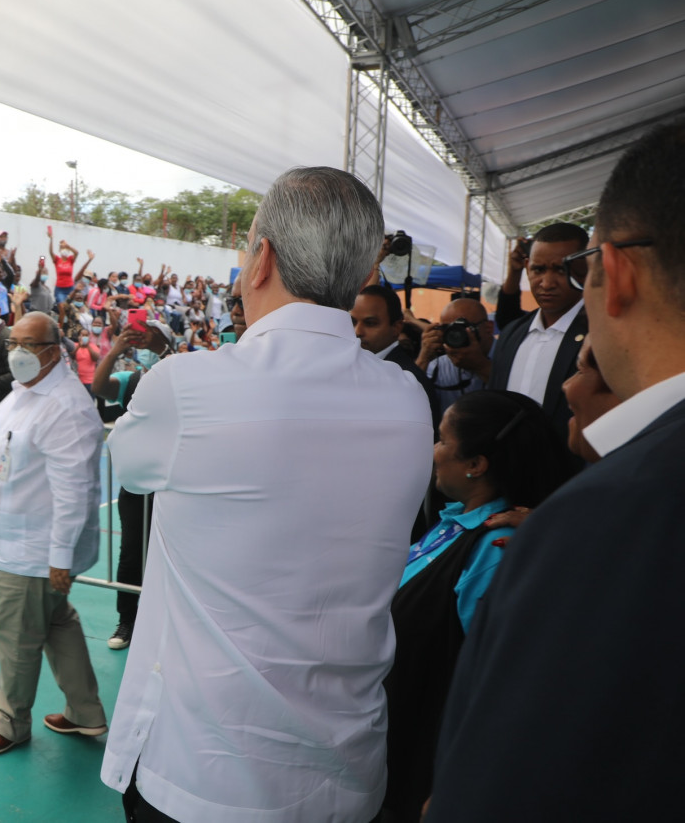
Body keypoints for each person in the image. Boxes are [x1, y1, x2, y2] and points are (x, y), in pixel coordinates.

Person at [101, 167, 433, 823]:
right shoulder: (406, 399)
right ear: (365, 271)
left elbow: (129, 465)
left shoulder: (186, 386)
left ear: (263, 258)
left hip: (204, 772)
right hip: (348, 773)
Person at [423, 122, 685, 823]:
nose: (573, 388)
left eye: (578, 265)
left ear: (614, 276)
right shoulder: (513, 337)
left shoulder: (603, 525)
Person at [381, 391, 569, 822]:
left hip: (430, 772)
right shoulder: (453, 524)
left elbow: (496, 684)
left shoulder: (495, 548)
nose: (433, 450)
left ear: (476, 463)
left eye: (442, 440)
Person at [0, 312, 108, 757]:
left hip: (32, 549)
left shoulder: (66, 406)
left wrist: (59, 556)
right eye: (13, 343)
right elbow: (0, 451)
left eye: (29, 345)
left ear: (54, 351)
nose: (17, 353)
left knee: (17, 635)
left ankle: (11, 722)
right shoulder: (23, 393)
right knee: (56, 622)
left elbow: (74, 491)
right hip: (17, 536)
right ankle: (85, 711)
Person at [90, 319, 171, 651]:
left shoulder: (179, 371)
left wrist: (162, 350)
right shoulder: (132, 379)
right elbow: (99, 386)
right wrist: (116, 350)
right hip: (137, 483)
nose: (143, 336)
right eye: (139, 331)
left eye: (151, 332)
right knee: (131, 552)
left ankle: (165, 621)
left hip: (173, 482)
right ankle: (127, 618)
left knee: (170, 552)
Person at [486, 223, 589, 441]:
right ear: (527, 267)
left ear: (585, 268)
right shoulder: (511, 335)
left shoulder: (599, 335)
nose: (547, 283)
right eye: (538, 270)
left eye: (560, 270)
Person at [352, 284, 437, 417]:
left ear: (396, 327)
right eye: (352, 322)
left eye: (370, 323)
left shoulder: (410, 381)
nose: (357, 331)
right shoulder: (347, 366)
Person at [416, 296, 494, 422]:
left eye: (464, 327)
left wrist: (481, 366)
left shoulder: (509, 356)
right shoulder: (438, 366)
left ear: (489, 327)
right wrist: (424, 357)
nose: (456, 334)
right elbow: (408, 399)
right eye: (448, 329)